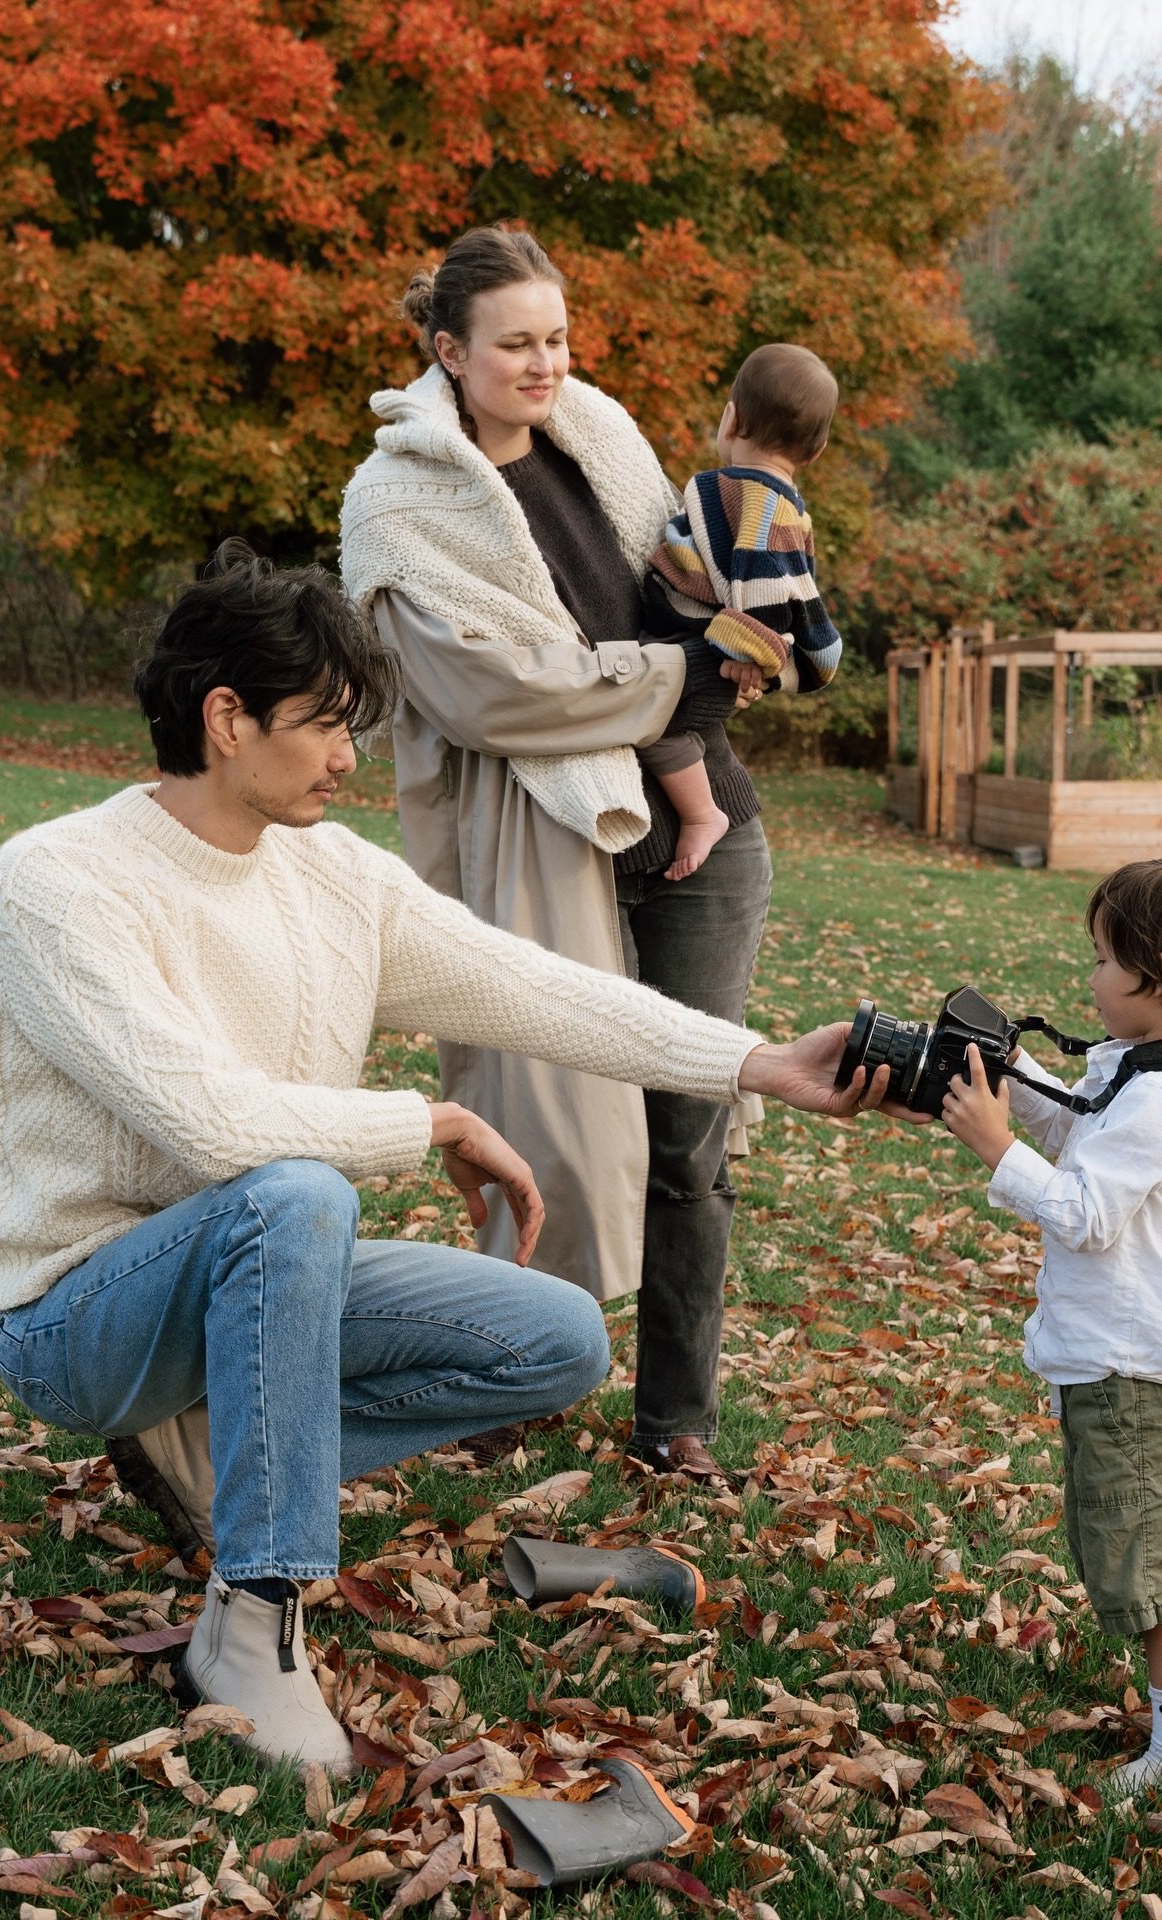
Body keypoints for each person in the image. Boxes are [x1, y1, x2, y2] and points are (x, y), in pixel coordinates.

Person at [0, 543, 895, 1777]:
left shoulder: (338, 878)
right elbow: (210, 1126)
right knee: (296, 1190)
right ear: (226, 719)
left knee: (556, 1337)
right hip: (78, 1311)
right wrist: (435, 1122)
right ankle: (254, 1618)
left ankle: (229, 1451)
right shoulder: (59, 881)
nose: (351, 757)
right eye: (324, 726)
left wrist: (759, 1061)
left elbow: (540, 990)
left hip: (261, 1267)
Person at [341, 225, 786, 1481]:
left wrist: (746, 629)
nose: (545, 364)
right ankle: (499, 1384)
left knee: (691, 1138)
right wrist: (681, 673)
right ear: (449, 350)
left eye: (557, 338)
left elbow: (699, 583)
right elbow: (493, 693)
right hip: (545, 842)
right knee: (534, 1130)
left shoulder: (604, 438)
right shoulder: (403, 501)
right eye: (517, 344)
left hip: (707, 833)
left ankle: (675, 1425)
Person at [937, 858, 1162, 1793]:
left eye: (1102, 958)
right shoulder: (1144, 1070)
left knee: (1149, 1563)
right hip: (1128, 1365)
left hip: (1134, 1377)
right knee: (1159, 1549)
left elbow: (1086, 1211)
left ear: (1157, 976)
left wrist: (995, 1147)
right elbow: (1080, 1134)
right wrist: (1014, 1077)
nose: (1090, 976)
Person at [640, 342, 843, 881]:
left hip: (709, 637)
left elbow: (760, 578)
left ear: (731, 418)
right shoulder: (776, 501)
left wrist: (748, 651)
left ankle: (702, 814)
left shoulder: (751, 498)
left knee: (655, 722)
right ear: (816, 450)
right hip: (704, 631)